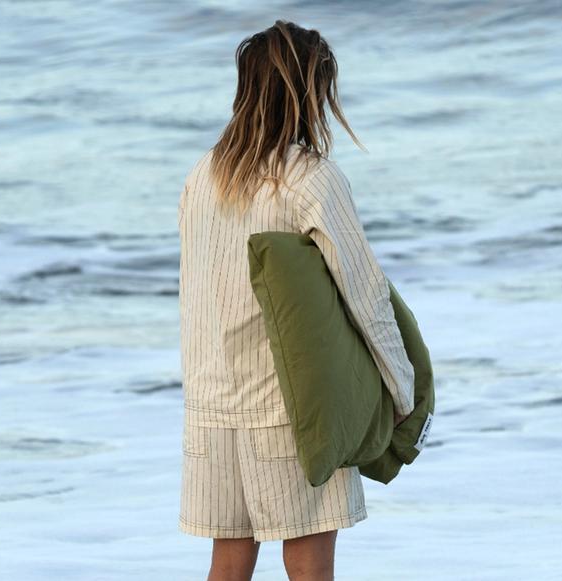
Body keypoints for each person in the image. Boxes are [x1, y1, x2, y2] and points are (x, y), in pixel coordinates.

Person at [177, 19, 415, 581]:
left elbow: (200, 295)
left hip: (211, 411)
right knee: (308, 562)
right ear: (310, 95)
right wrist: (402, 387)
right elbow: (365, 294)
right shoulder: (309, 179)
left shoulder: (202, 176)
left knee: (228, 564)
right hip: (290, 409)